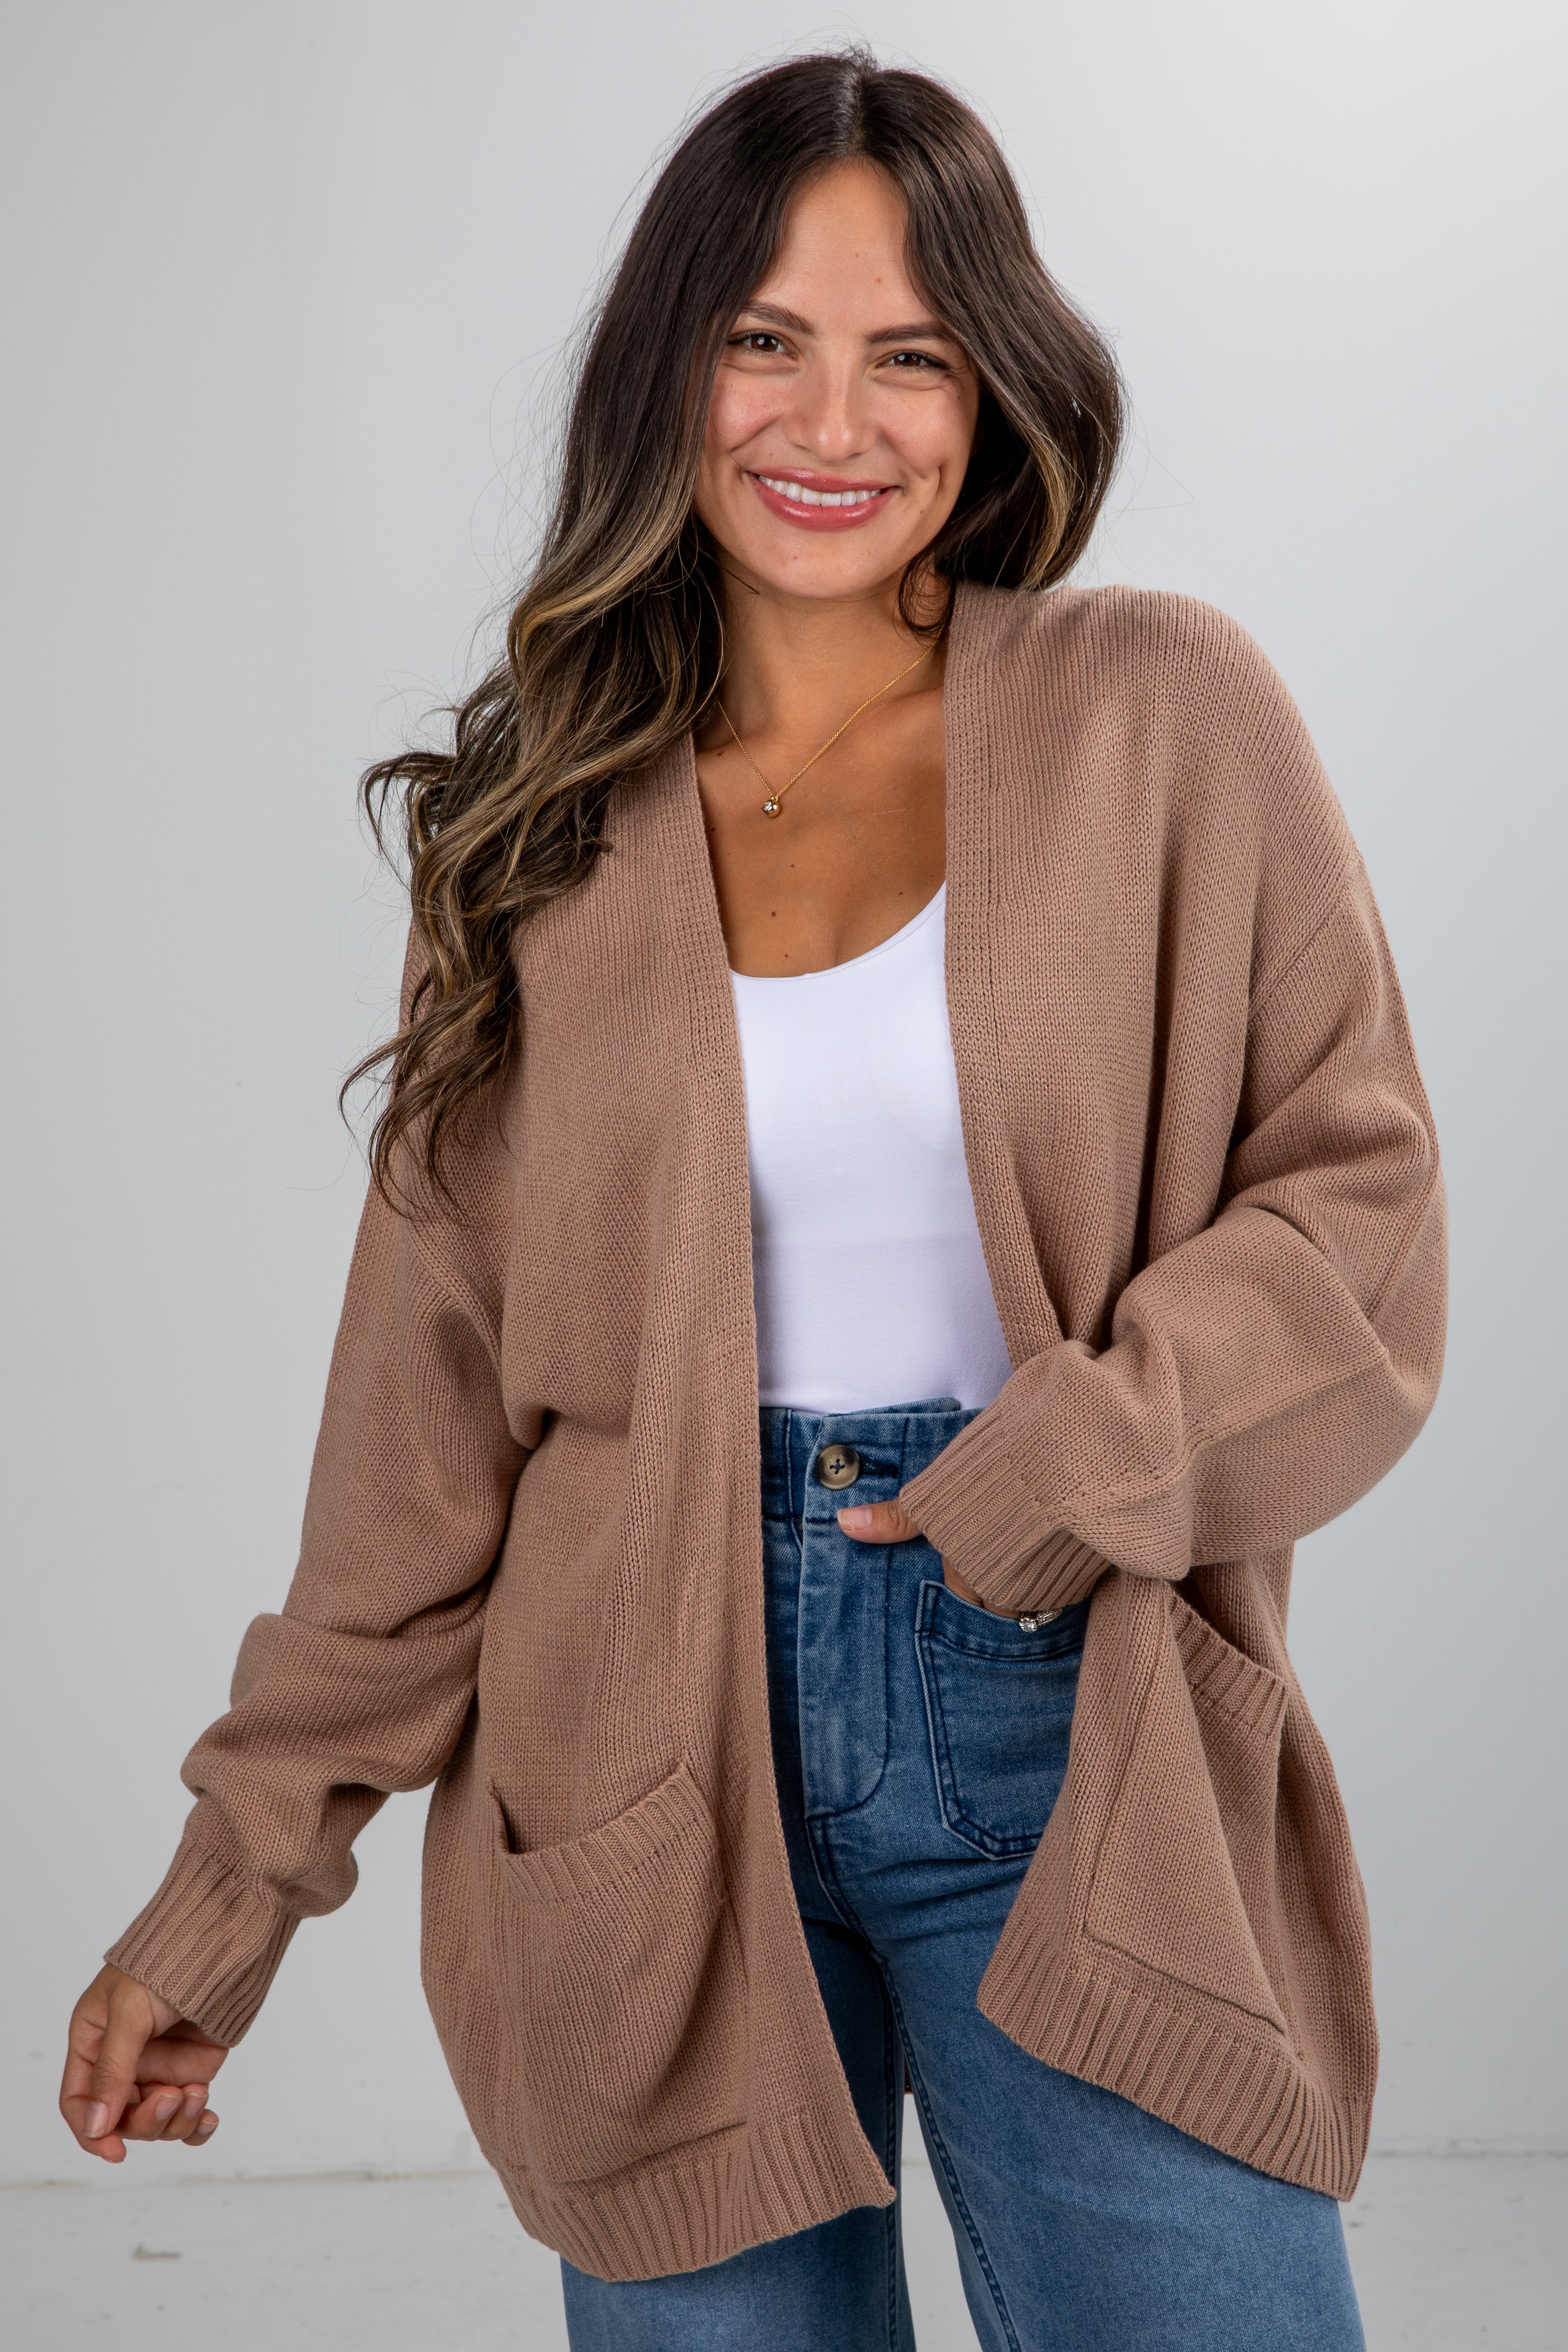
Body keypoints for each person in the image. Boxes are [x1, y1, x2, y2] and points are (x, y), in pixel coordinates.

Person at [60, 50, 1445, 2352]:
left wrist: (1064, 1467)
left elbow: (1358, 1212)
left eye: (911, 350)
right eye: (765, 339)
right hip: (626, 1736)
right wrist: (225, 1901)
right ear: (671, 369)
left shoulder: (1162, 716)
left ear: (994, 391)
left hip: (1060, 1691)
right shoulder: (538, 823)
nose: (836, 416)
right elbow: (421, 1431)